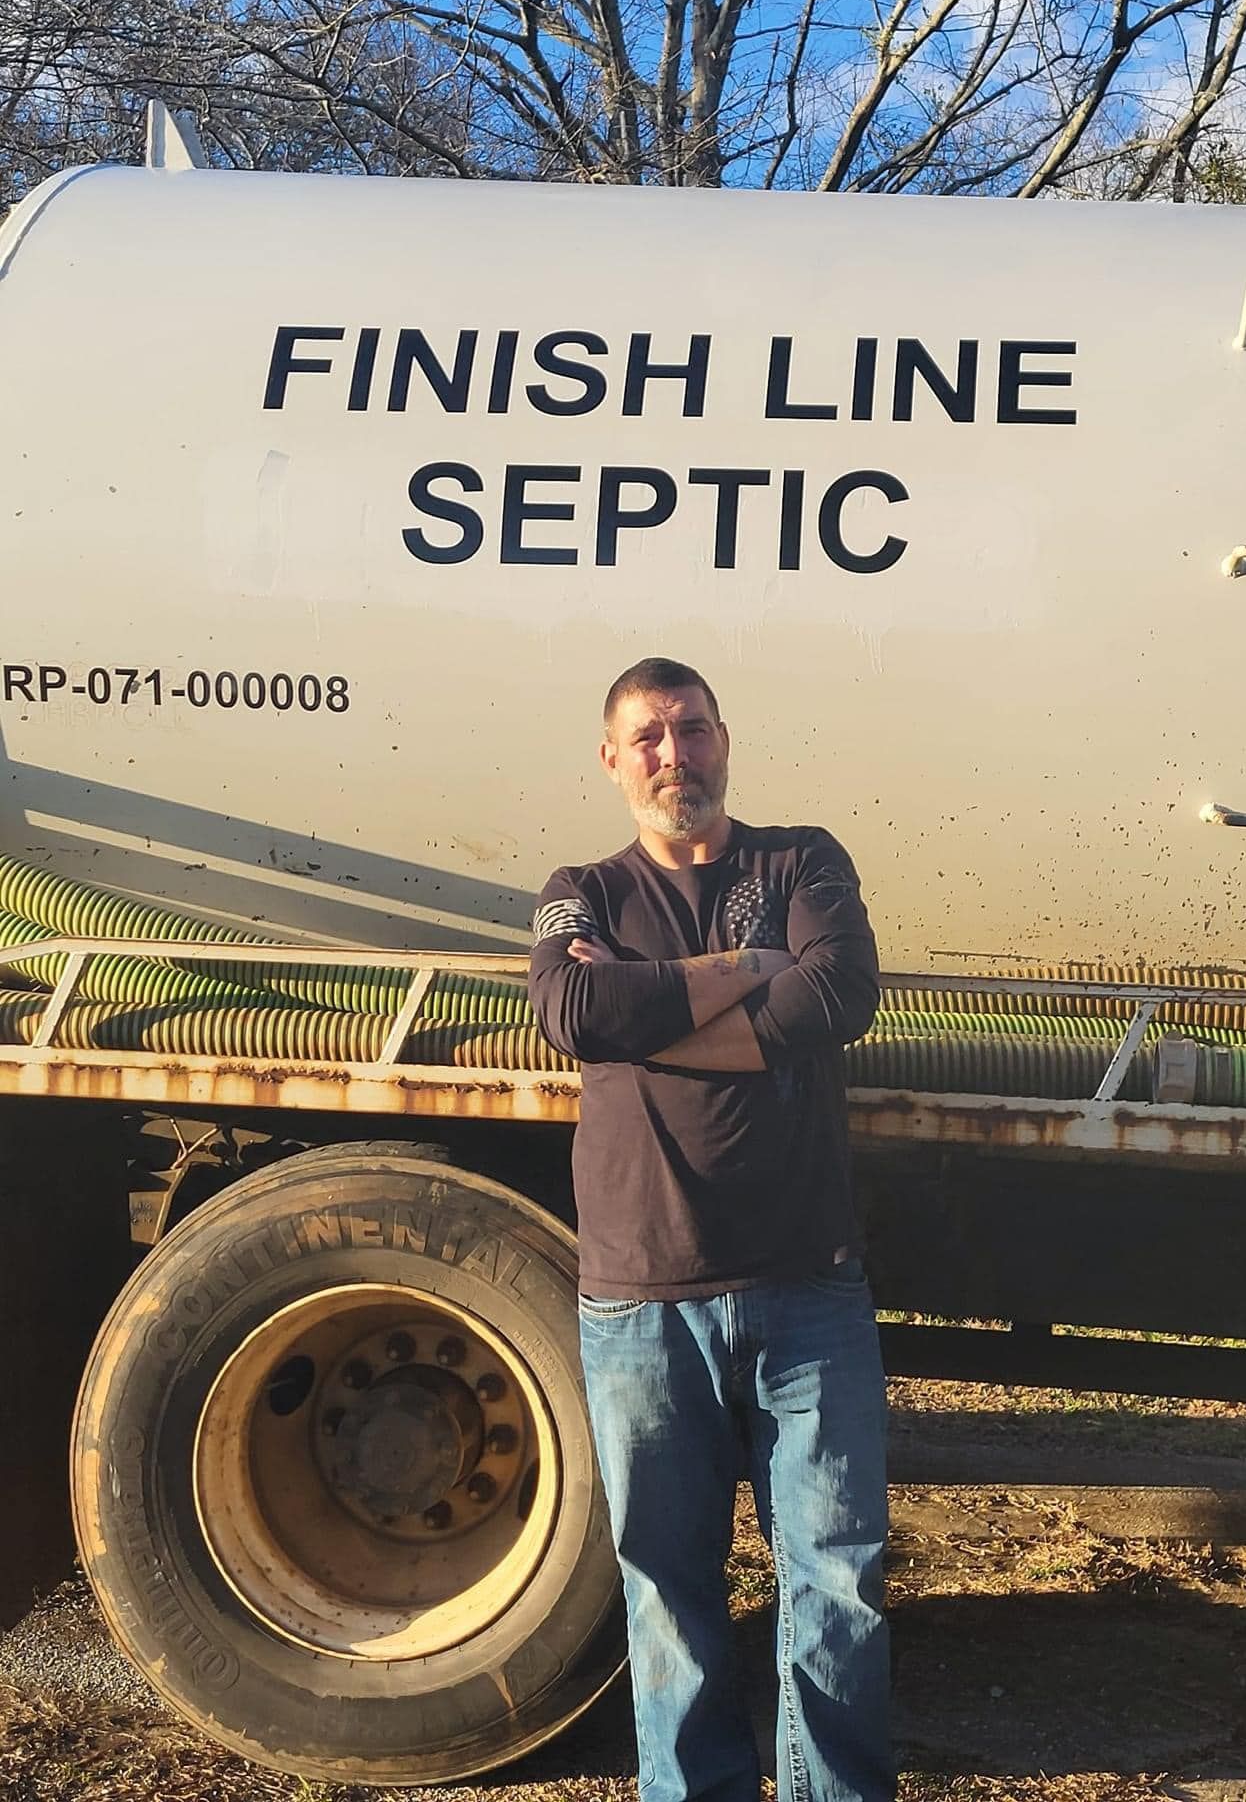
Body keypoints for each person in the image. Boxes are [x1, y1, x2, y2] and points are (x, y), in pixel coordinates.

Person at [528, 655, 893, 1802]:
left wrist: (650, 1012)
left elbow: (836, 997)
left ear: (725, 738)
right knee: (668, 1584)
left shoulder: (804, 858)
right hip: (642, 1294)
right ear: (611, 758)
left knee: (837, 1580)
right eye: (648, 736)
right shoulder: (576, 886)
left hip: (807, 1285)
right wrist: (744, 970)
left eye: (691, 729)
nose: (673, 754)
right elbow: (573, 1009)